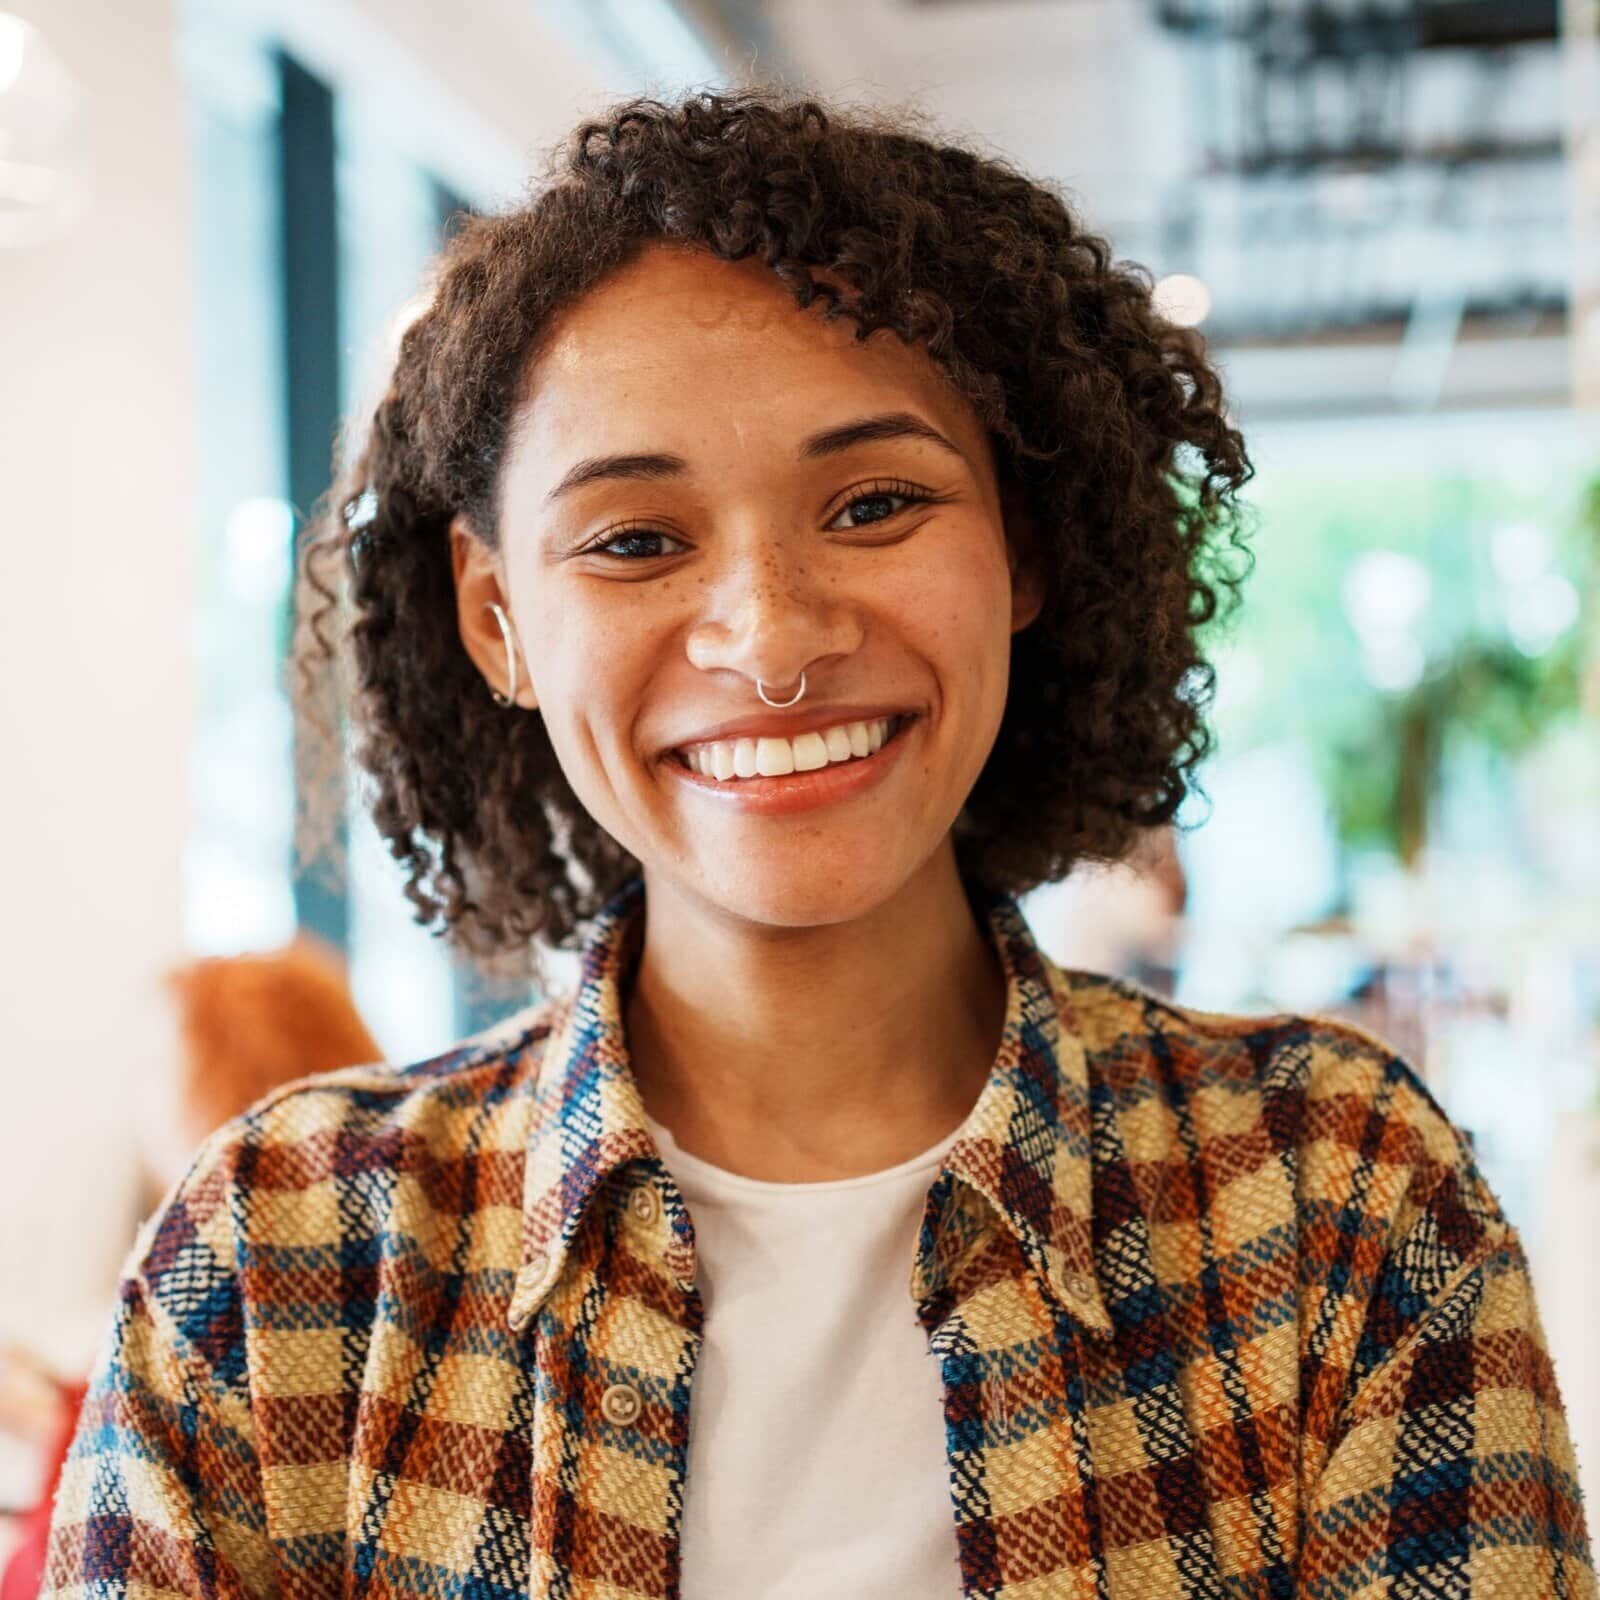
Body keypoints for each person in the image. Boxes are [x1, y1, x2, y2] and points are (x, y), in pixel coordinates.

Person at [42, 91, 1595, 1600]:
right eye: (637, 540)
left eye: (873, 503)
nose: (773, 640)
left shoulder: (1339, 1204)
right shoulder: (275, 1260)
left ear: (1026, 547)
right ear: (496, 617)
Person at [3, 937, 378, 1600]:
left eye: (154, 1066)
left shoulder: (213, 1262)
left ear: (219, 1070)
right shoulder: (374, 1240)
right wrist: (59, 1405)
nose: (136, 1100)